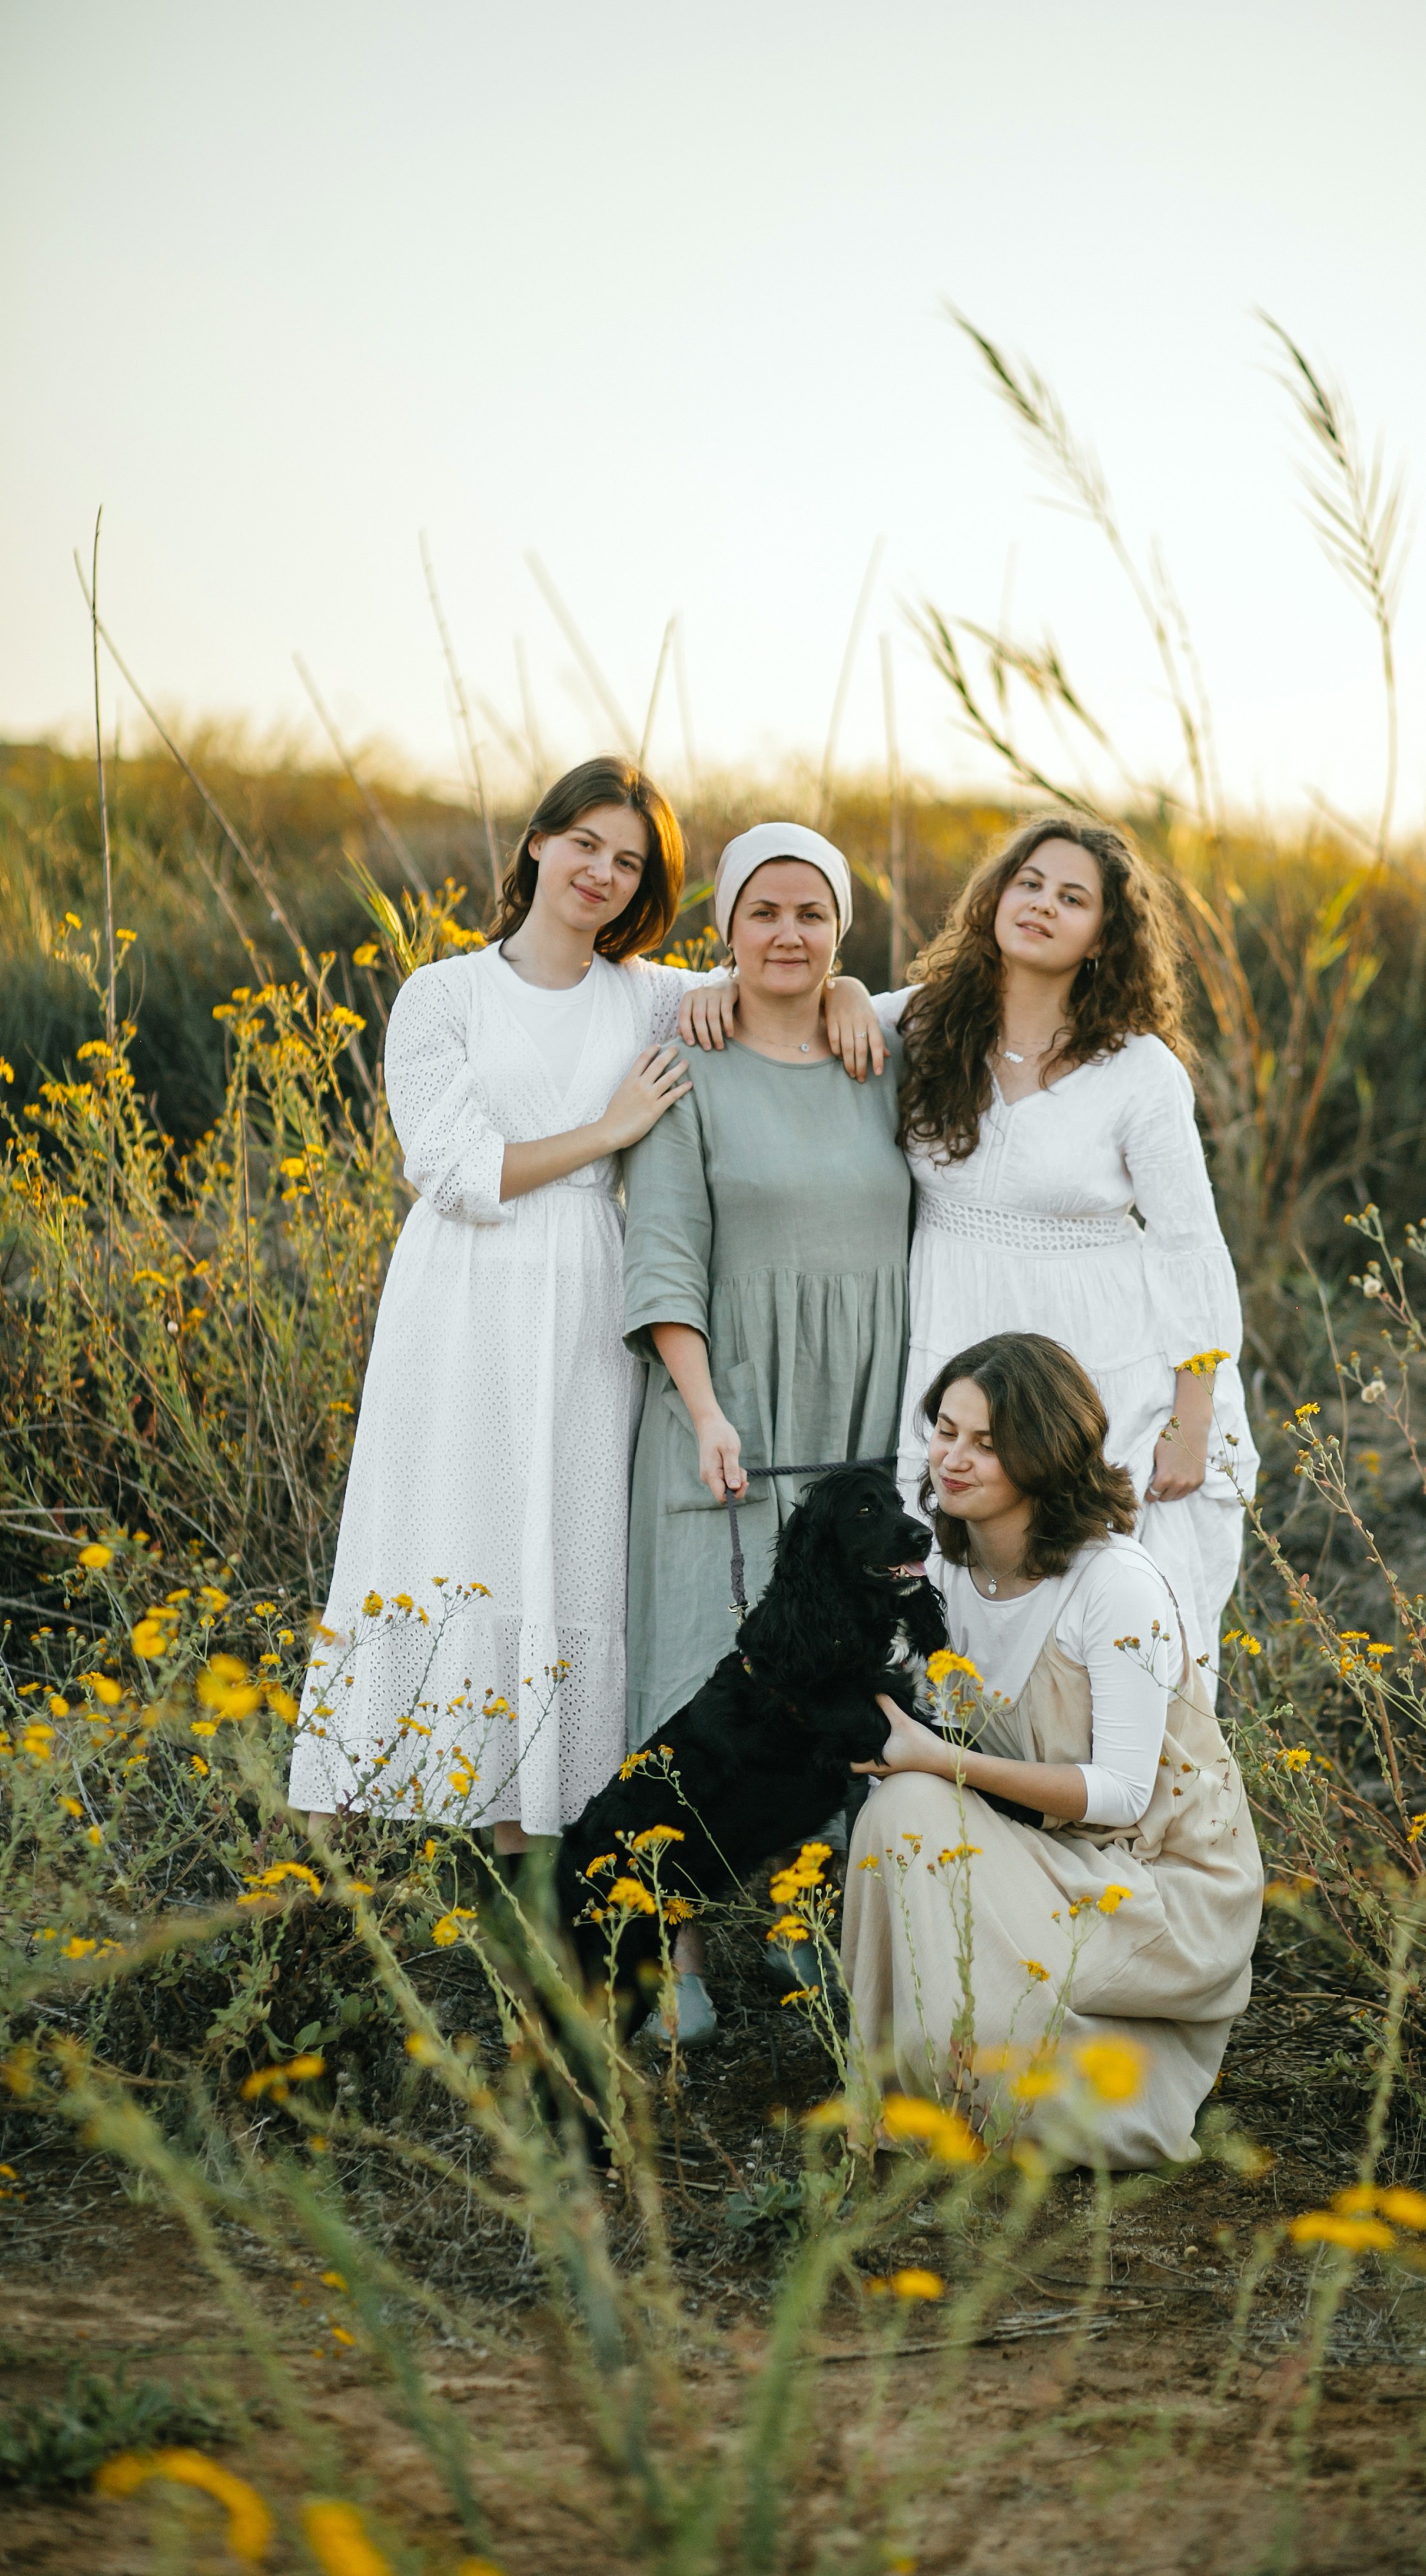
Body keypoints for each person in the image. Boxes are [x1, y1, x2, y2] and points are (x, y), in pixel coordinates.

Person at [288, 761, 880, 1849]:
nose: (603, 873)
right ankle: (340, 1831)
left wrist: (839, 988)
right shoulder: (446, 994)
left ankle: (532, 1819)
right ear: (537, 844)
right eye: (586, 845)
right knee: (431, 1528)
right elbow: (451, 1168)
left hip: (586, 1294)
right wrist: (610, 1133)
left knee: (564, 1539)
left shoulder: (651, 995)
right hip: (459, 1294)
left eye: (631, 861)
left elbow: (771, 975)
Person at [622, 820, 912, 2037]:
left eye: (812, 917)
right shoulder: (687, 1059)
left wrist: (850, 994)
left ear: (840, 933)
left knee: (836, 1667)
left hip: (859, 1408)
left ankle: (804, 1920)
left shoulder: (882, 1051)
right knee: (694, 1664)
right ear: (724, 932)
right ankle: (673, 1958)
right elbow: (666, 1251)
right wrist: (703, 1412)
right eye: (762, 914)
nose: (787, 935)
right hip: (726, 1407)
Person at [842, 1332, 1263, 2167]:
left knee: (922, 1794)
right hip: (1038, 1851)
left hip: (1152, 1882)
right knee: (903, 1809)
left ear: (1044, 1456)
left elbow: (1120, 1796)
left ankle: (1039, 2088)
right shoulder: (947, 1573)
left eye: (987, 1445)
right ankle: (888, 2086)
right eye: (946, 1431)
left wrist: (940, 1761)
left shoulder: (1115, 1584)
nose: (952, 1460)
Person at [873, 816, 1256, 1695]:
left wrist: (1190, 1418)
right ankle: (986, 1802)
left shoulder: (1139, 1070)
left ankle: (1116, 1805)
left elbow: (1190, 1246)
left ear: (1101, 941)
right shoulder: (924, 1025)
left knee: (1101, 1596)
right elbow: (814, 1004)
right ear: (997, 897)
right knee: (956, 1581)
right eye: (1030, 883)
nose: (1043, 904)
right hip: (957, 1342)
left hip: (1105, 1367)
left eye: (1072, 898)